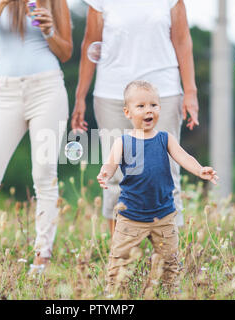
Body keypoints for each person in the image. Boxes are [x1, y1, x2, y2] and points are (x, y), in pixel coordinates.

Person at [0, 0, 73, 274]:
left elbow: (65, 51)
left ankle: (42, 256)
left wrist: (49, 31)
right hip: (6, 94)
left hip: (47, 89)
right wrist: (1, 4)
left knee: (44, 175)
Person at [72, 0, 199, 235]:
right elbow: (90, 43)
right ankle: (120, 257)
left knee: (167, 173)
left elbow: (182, 41)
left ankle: (167, 256)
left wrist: (190, 91)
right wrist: (80, 95)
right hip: (112, 95)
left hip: (163, 94)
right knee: (115, 177)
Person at [97, 80, 218, 294]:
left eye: (153, 105)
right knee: (119, 260)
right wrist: (105, 174)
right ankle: (115, 293)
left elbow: (184, 157)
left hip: (163, 214)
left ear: (159, 109)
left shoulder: (165, 138)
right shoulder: (123, 142)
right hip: (131, 215)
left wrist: (199, 170)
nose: (148, 110)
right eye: (141, 106)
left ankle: (171, 292)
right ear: (128, 112)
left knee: (170, 262)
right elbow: (111, 163)